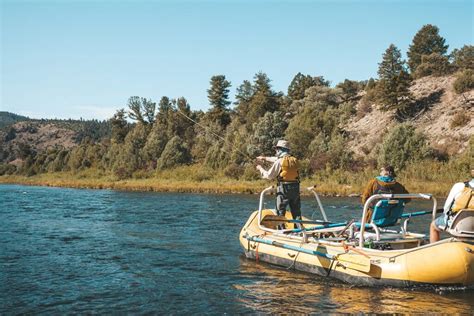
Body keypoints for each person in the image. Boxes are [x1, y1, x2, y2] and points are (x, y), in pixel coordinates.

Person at [256, 140, 301, 225]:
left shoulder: (279, 162)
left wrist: (260, 168)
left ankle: (281, 231)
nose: (276, 151)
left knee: (280, 211)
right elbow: (278, 159)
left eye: (277, 149)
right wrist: (264, 158)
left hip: (284, 189)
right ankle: (300, 231)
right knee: (296, 212)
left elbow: (269, 176)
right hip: (296, 188)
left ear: (280, 150)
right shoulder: (294, 160)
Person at [430, 169, 474, 243]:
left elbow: (446, 208)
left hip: (456, 225)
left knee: (433, 226)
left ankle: (433, 250)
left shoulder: (459, 186)